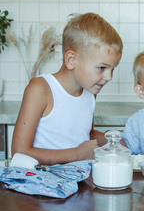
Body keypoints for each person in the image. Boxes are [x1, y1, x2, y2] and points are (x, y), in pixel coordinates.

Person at [12, 13, 123, 165]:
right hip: (43, 182)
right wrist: (77, 154)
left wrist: (115, 142)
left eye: (113, 69)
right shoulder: (40, 89)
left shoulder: (89, 92)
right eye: (101, 68)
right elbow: (19, 152)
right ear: (71, 60)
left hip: (78, 179)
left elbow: (84, 134)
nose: (109, 77)